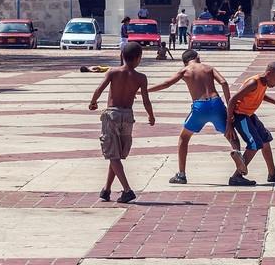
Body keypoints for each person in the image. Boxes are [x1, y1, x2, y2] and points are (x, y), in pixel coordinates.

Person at [148, 49, 246, 184]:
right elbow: (223, 83)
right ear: (198, 57)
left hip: (200, 107)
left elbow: (166, 84)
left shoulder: (185, 71)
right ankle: (237, 170)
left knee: (184, 137)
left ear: (185, 63)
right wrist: (229, 103)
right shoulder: (209, 68)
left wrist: (144, 91)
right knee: (232, 136)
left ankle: (181, 175)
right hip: (216, 104)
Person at [88, 40, 154, 204]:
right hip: (127, 116)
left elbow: (100, 88)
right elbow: (146, 100)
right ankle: (107, 190)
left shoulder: (113, 72)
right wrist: (150, 115)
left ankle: (127, 190)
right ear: (139, 58)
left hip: (112, 114)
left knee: (112, 154)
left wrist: (93, 102)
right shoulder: (141, 77)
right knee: (116, 154)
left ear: (121, 55)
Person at [225, 60, 275, 186]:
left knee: (265, 139)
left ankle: (272, 175)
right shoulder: (253, 82)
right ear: (269, 74)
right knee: (255, 144)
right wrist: (229, 124)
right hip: (241, 116)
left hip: (250, 115)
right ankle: (236, 176)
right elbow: (233, 100)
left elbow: (261, 95)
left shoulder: (263, 82)